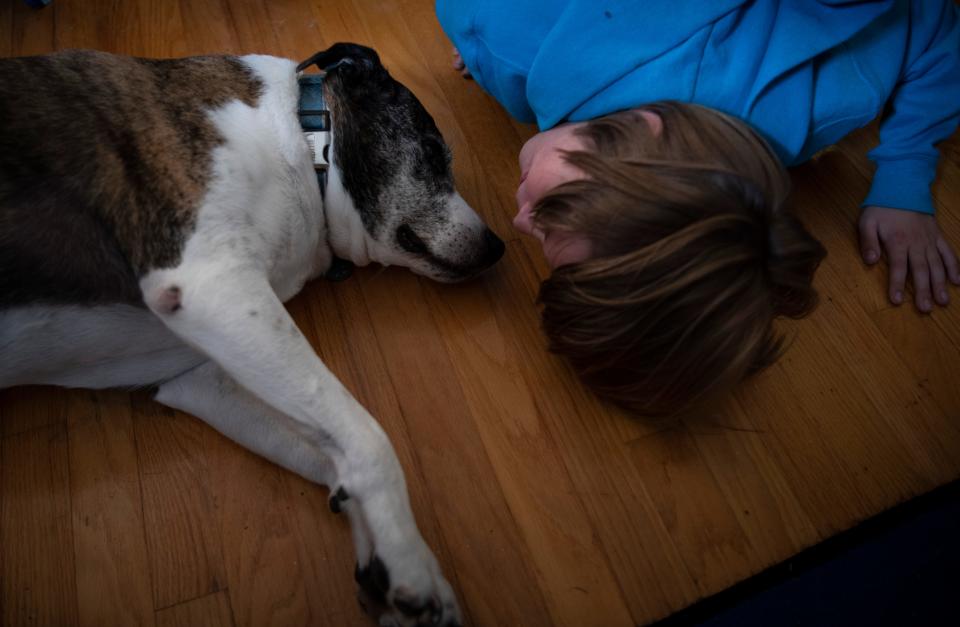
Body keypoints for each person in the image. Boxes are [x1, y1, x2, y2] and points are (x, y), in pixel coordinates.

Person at [435, 0, 960, 416]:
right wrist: (479, 43)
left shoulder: (808, 108)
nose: (518, 220)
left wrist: (899, 181)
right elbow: (937, 26)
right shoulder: (507, 33)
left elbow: (933, 26)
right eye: (550, 219)